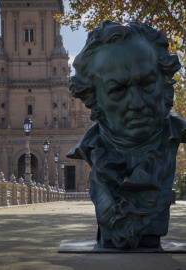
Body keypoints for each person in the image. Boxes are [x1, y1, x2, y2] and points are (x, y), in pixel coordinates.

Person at [67, 20, 186, 248]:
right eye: (118, 90)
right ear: (94, 97)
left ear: (163, 80)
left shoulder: (175, 133)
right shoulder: (91, 150)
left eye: (148, 83)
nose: (138, 103)